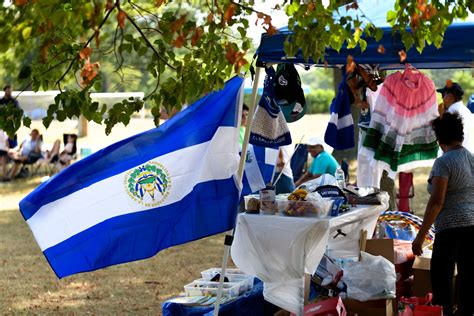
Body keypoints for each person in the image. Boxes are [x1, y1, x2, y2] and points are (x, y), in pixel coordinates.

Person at [412, 112, 474, 315]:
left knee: (442, 279)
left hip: (450, 228)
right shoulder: (471, 158)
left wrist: (420, 237)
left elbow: (436, 202)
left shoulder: (444, 162)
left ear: (439, 138)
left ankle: (444, 312)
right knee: (467, 279)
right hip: (472, 226)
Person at [437, 81, 474, 152]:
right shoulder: (466, 110)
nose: (443, 99)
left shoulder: (452, 113)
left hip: (453, 158)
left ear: (450, 96)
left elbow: (446, 142)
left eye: (443, 95)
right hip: (466, 157)